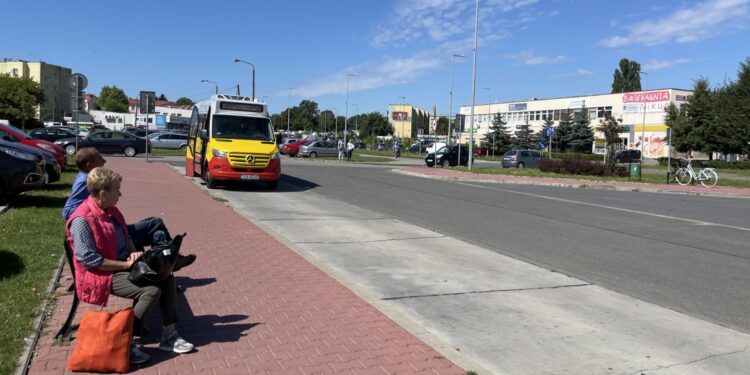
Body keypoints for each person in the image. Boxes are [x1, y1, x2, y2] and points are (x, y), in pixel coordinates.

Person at [66, 167, 194, 366]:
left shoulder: (111, 210)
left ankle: (169, 336)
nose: (120, 193)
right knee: (150, 291)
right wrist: (126, 264)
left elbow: (125, 237)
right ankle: (125, 342)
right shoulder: (82, 220)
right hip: (100, 274)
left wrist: (134, 253)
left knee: (167, 278)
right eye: (117, 189)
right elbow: (90, 260)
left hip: (123, 265)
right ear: (103, 194)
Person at [63, 148, 196, 271]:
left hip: (112, 228)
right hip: (108, 232)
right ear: (89, 165)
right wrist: (96, 212)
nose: (104, 161)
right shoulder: (86, 181)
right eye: (100, 158)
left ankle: (166, 266)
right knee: (156, 222)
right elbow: (68, 211)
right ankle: (172, 259)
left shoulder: (89, 179)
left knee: (159, 234)